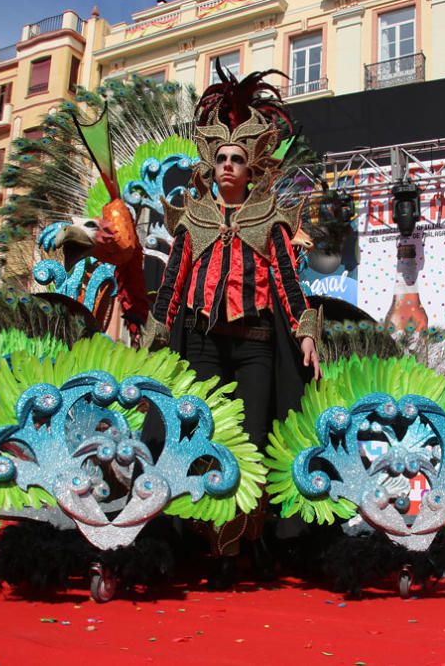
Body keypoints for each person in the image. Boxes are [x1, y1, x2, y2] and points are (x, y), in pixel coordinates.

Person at [141, 107, 321, 587]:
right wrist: (155, 333)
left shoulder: (270, 217)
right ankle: (213, 545)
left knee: (254, 443)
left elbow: (287, 281)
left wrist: (306, 331)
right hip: (201, 345)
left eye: (236, 159)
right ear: (210, 164)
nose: (227, 165)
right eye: (220, 157)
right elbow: (173, 285)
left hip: (256, 345)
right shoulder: (193, 217)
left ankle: (251, 541)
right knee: (202, 440)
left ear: (250, 169)